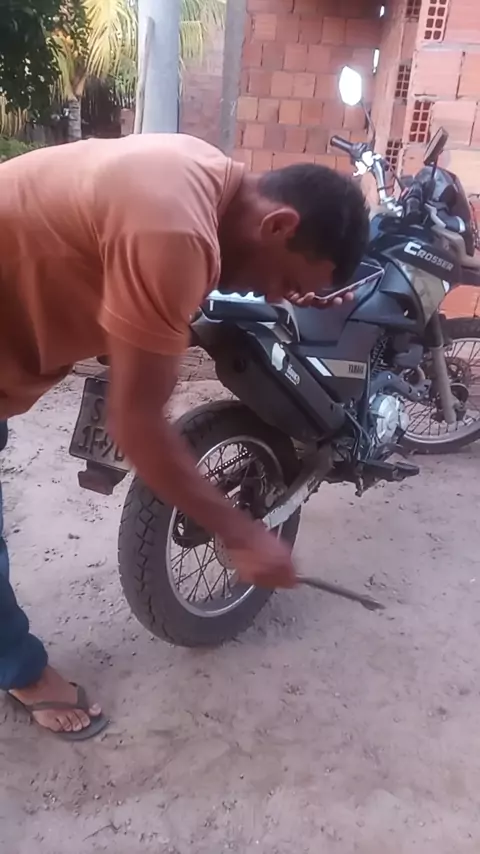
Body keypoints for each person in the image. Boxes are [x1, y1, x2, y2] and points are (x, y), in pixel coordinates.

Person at [0, 133, 369, 739]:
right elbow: (136, 426)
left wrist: (296, 281)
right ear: (278, 225)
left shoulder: (200, 173)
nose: (277, 296)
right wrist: (240, 531)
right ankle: (20, 670)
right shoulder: (175, 231)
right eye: (284, 279)